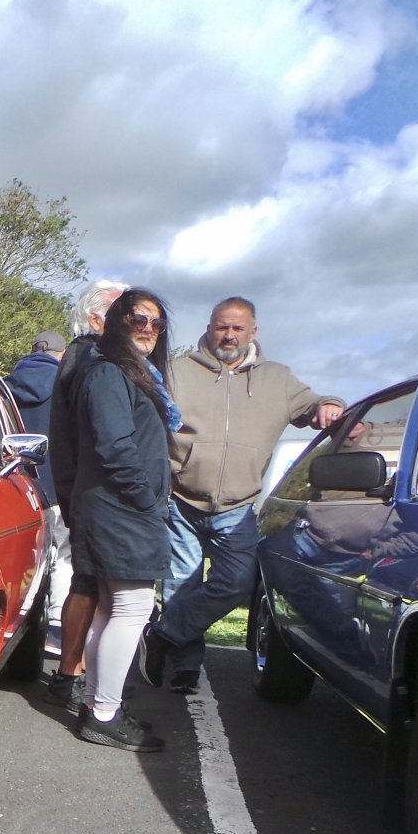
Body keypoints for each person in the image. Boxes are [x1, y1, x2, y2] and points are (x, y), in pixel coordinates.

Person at [140, 297, 344, 695]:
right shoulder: (176, 372)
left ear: (253, 332)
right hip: (181, 499)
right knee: (181, 585)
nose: (228, 335)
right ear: (209, 326)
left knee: (236, 584)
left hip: (238, 507)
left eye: (237, 328)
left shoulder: (279, 379)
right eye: (221, 326)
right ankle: (184, 668)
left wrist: (332, 405)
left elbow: (315, 405)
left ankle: (163, 635)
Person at [63, 289, 177, 751]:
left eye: (155, 322)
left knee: (111, 609)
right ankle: (105, 714)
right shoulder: (108, 371)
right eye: (137, 319)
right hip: (121, 509)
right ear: (114, 323)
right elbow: (115, 446)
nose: (147, 328)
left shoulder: (125, 372)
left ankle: (98, 705)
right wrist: (147, 499)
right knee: (132, 608)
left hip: (113, 508)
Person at [44, 279, 128, 712]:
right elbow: (98, 436)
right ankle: (73, 675)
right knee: (90, 583)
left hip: (85, 489)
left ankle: (74, 674)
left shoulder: (86, 356)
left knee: (89, 582)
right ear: (97, 319)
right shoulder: (90, 358)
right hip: (94, 492)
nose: (135, 323)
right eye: (123, 313)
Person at [4, 331, 68, 652]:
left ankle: (15, 627)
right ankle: (56, 631)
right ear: (62, 353)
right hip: (58, 489)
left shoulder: (2, 387)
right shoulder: (68, 386)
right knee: (63, 559)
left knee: (21, 560)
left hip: (15, 491)